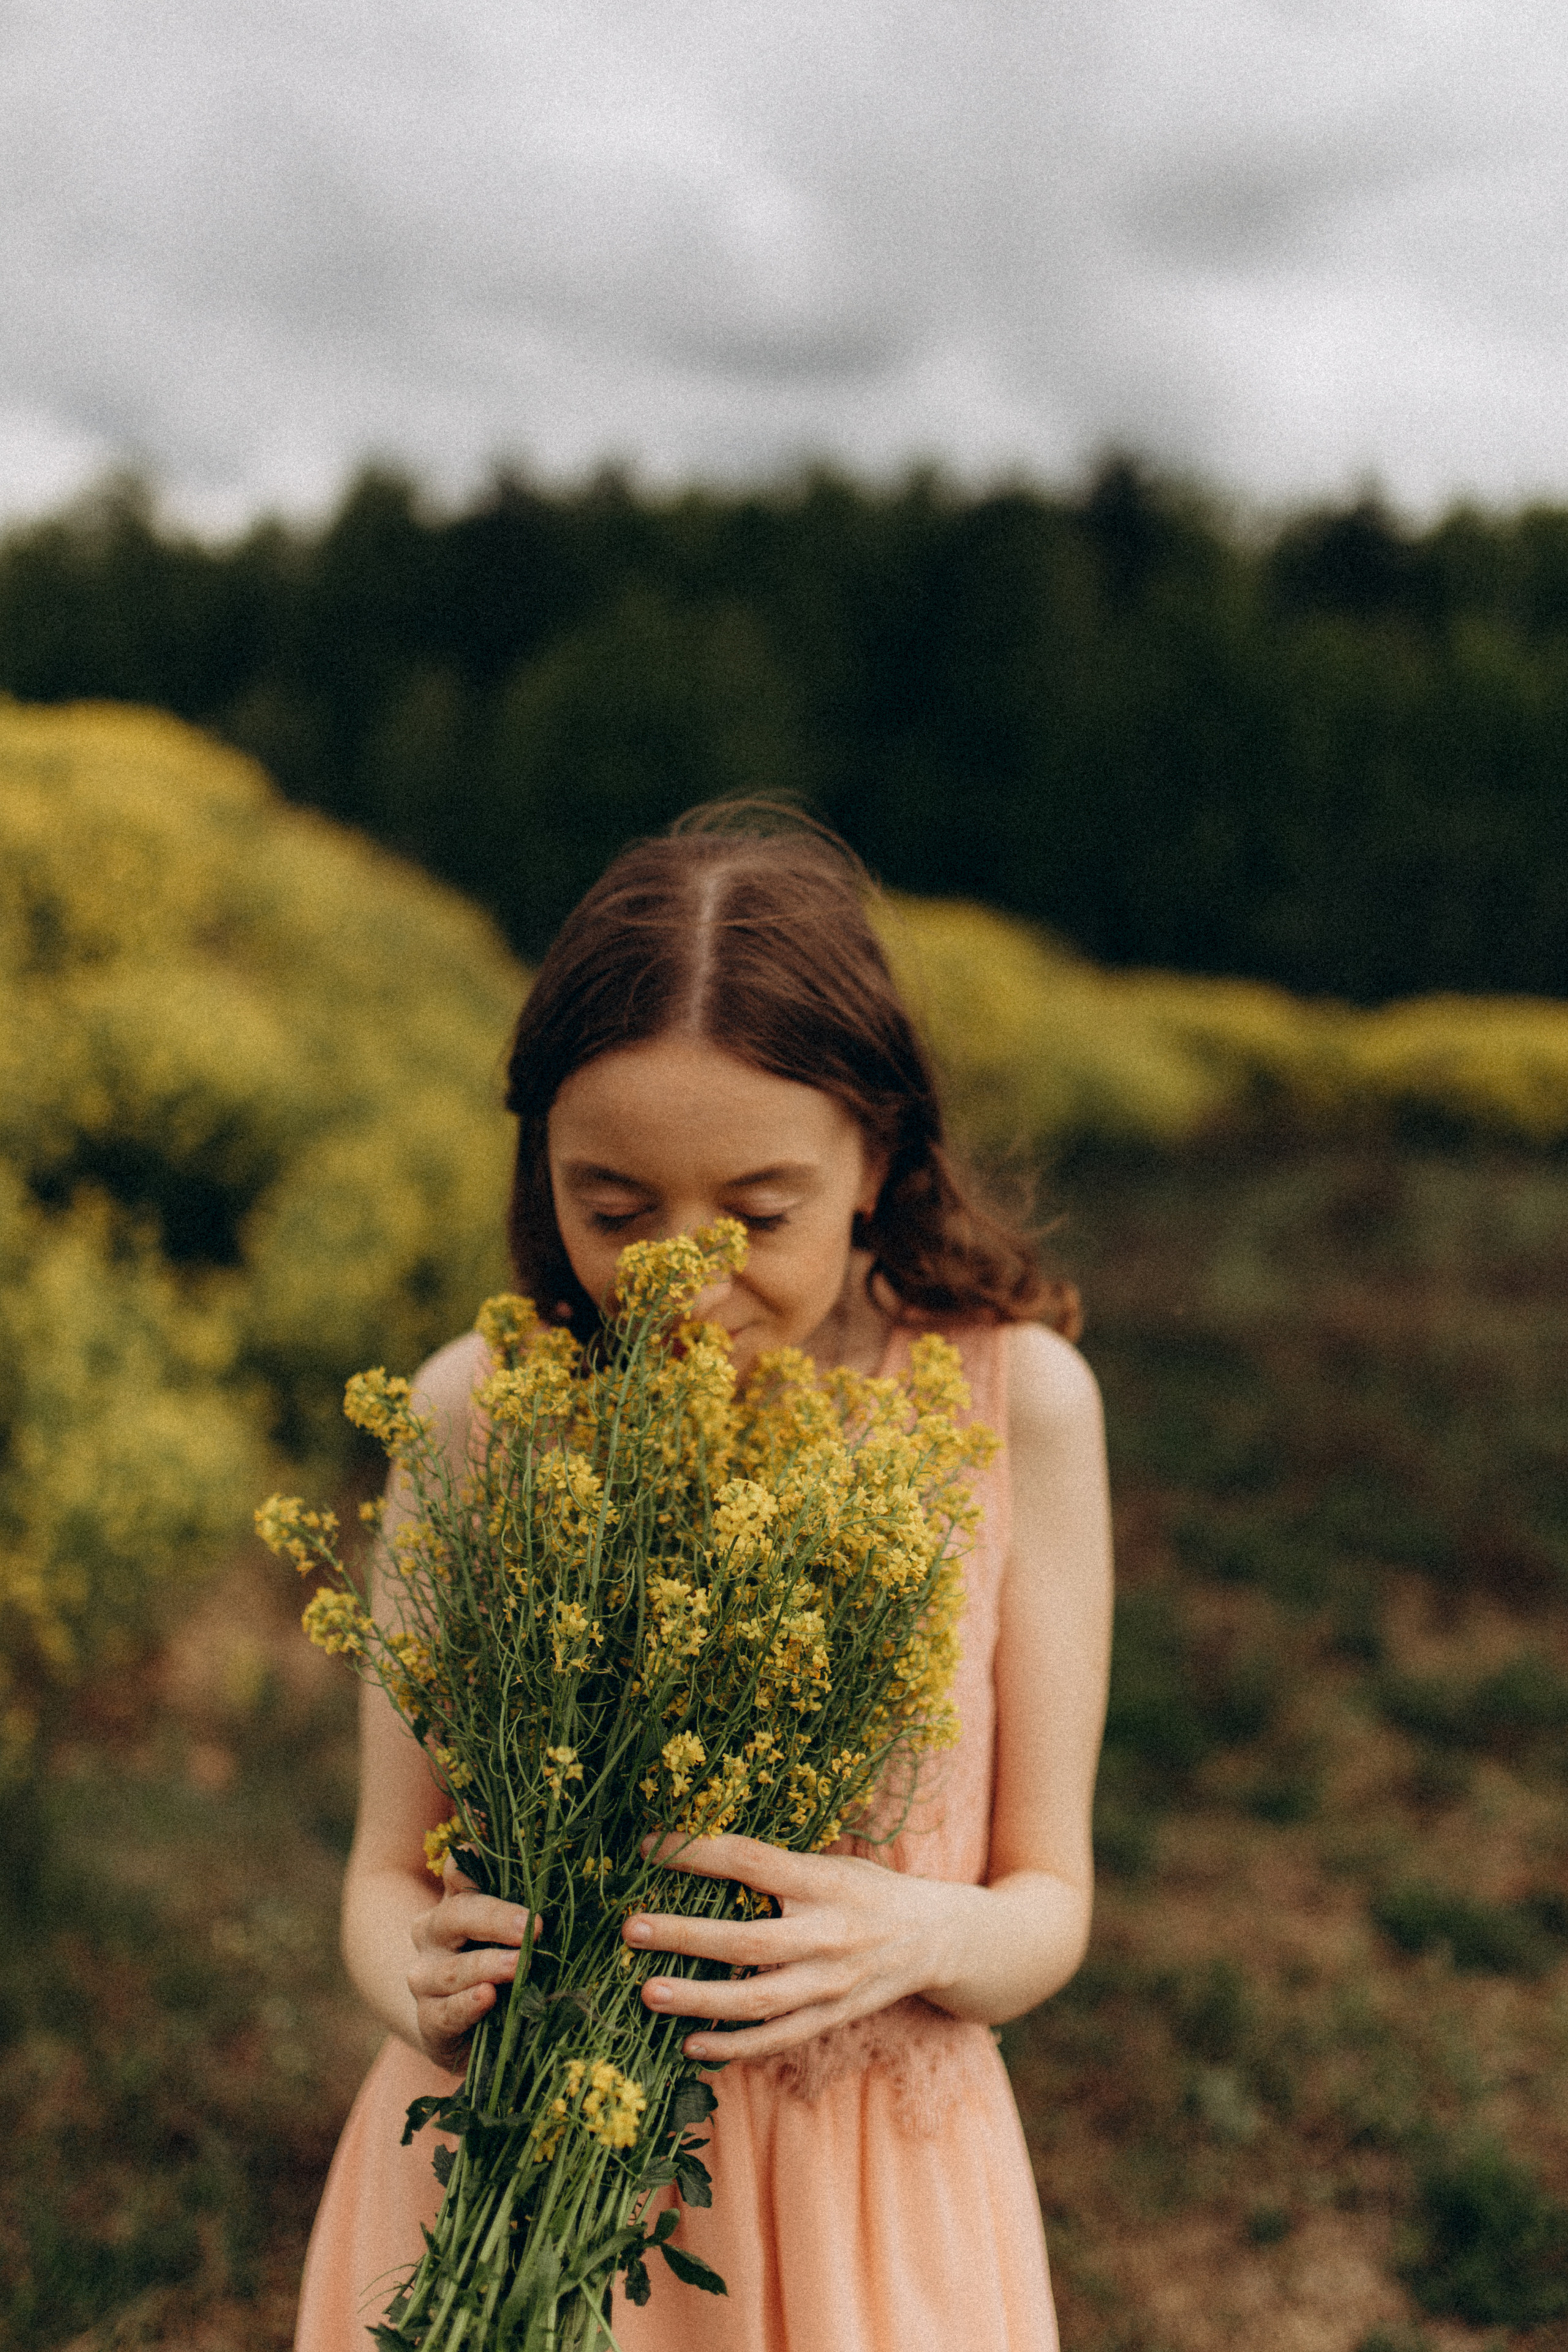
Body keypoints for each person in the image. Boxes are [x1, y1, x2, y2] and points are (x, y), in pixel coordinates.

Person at [295, 811, 1113, 2352]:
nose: (684, 1269)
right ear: (542, 1169)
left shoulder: (1023, 1405)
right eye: (615, 1211)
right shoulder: (480, 1410)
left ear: (876, 1157)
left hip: (862, 2193)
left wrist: (914, 1934)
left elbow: (1047, 1904)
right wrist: (423, 1986)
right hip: (507, 2170)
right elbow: (376, 1875)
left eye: (758, 1214)